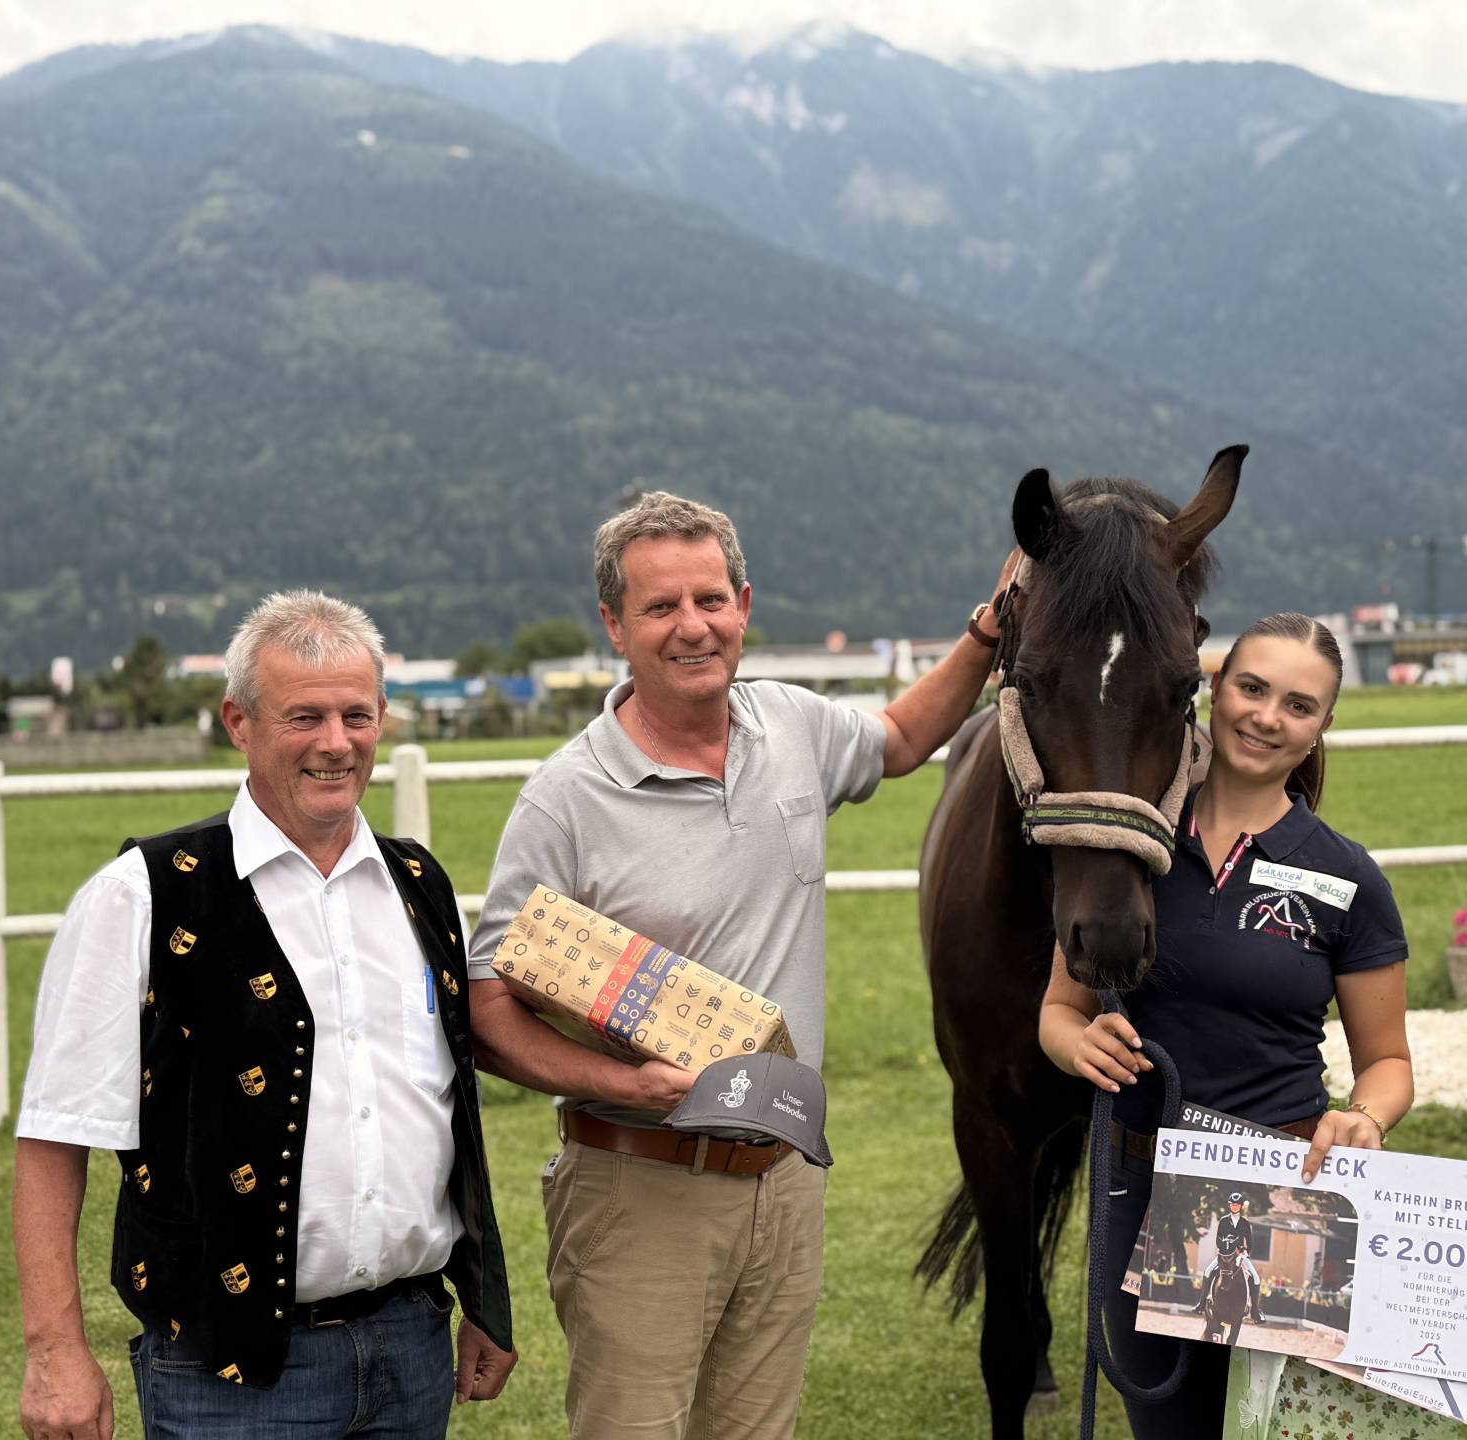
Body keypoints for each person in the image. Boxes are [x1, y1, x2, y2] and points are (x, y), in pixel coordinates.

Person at [463, 490, 1016, 1439]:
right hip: (639, 1186)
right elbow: (485, 1006)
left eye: (711, 600)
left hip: (785, 1179)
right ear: (614, 625)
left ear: (745, 605)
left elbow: (902, 740)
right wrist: (622, 1084)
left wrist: (988, 630)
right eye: (660, 607)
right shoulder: (566, 799)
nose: (692, 627)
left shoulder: (790, 727)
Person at [14, 592, 515, 1440]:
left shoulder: (420, 886)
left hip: (411, 1343)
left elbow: (447, 1108)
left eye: (357, 714)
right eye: (304, 716)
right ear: (238, 722)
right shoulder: (142, 893)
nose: (336, 742)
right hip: (227, 1371)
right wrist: (55, 1349)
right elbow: (55, 1134)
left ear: (383, 719)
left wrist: (483, 1297)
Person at [1038, 611, 1414, 1438]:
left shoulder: (1347, 877)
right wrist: (1077, 1045)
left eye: (1298, 704)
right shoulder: (1129, 846)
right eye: (1251, 687)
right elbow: (1059, 1012)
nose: (1267, 716)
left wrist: (1365, 1115)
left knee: (1268, 1429)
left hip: (1288, 1197)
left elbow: (1387, 1061)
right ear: (1212, 688)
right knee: (1165, 1424)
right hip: (1137, 1184)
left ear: (1322, 727)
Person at [1200, 1192, 1265, 1324]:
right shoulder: (1224, 1221)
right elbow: (1218, 1240)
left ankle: (1255, 1311)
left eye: (1237, 1205)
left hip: (1239, 1255)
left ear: (1240, 1206)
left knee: (1256, 1278)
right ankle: (1201, 1304)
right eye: (1233, 1204)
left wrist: (1245, 1253)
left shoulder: (1245, 1222)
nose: (1235, 1207)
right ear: (1230, 1205)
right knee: (1207, 1271)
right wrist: (1223, 1249)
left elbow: (1250, 1242)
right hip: (1224, 1255)